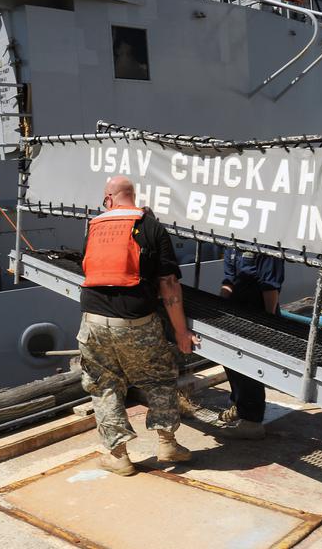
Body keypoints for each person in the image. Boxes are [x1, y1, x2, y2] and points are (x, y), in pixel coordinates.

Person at [77, 176, 200, 476]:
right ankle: (167, 442)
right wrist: (181, 331)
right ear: (133, 196)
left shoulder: (94, 227)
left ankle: (118, 456)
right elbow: (169, 285)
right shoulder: (152, 227)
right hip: (136, 323)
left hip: (93, 321)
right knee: (159, 377)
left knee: (104, 385)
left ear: (108, 198)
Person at [218, 248, 285, 439]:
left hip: (259, 313)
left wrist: (268, 322)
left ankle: (251, 422)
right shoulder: (232, 243)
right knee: (230, 361)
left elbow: (269, 287)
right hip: (236, 312)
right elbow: (229, 280)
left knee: (249, 367)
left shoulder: (267, 246)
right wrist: (220, 308)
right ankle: (240, 405)